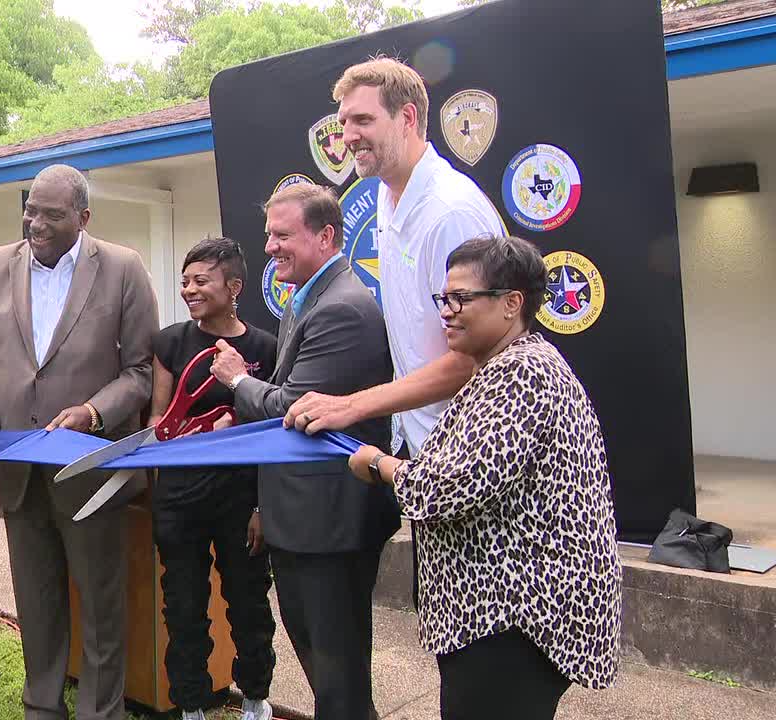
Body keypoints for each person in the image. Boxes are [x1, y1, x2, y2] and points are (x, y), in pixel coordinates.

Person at [345, 236, 621, 720]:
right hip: (500, 620)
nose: (447, 312)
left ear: (513, 303)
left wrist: (377, 463)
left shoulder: (522, 375)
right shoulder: (505, 367)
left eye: (461, 299)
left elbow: (445, 486)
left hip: (515, 620)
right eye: (443, 299)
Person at [0, 164, 159, 720]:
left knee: (100, 608)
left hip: (90, 471)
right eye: (31, 209)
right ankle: (41, 707)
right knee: (36, 607)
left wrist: (93, 412)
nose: (35, 222)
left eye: (52, 213)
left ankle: (100, 712)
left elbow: (140, 371)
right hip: (16, 475)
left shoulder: (122, 268)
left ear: (83, 217)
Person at [208, 183, 398, 720]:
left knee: (337, 675)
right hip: (301, 520)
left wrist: (237, 384)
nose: (269, 246)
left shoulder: (342, 308)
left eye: (283, 234)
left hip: (329, 524)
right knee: (326, 673)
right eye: (269, 233)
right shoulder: (311, 294)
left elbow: (297, 411)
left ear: (326, 235)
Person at [286, 57, 503, 456]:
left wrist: (351, 405)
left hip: (473, 456)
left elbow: (473, 358)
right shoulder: (387, 197)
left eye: (363, 120)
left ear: (406, 117)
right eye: (344, 122)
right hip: (422, 451)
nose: (348, 136)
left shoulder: (451, 213)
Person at [150, 238, 278, 720]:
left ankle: (255, 698)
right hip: (180, 498)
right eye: (185, 281)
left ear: (234, 286)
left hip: (241, 501)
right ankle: (191, 704)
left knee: (248, 603)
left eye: (201, 281)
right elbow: (159, 424)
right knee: (184, 607)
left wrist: (263, 507)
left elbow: (272, 431)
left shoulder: (265, 346)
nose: (189, 290)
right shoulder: (170, 342)